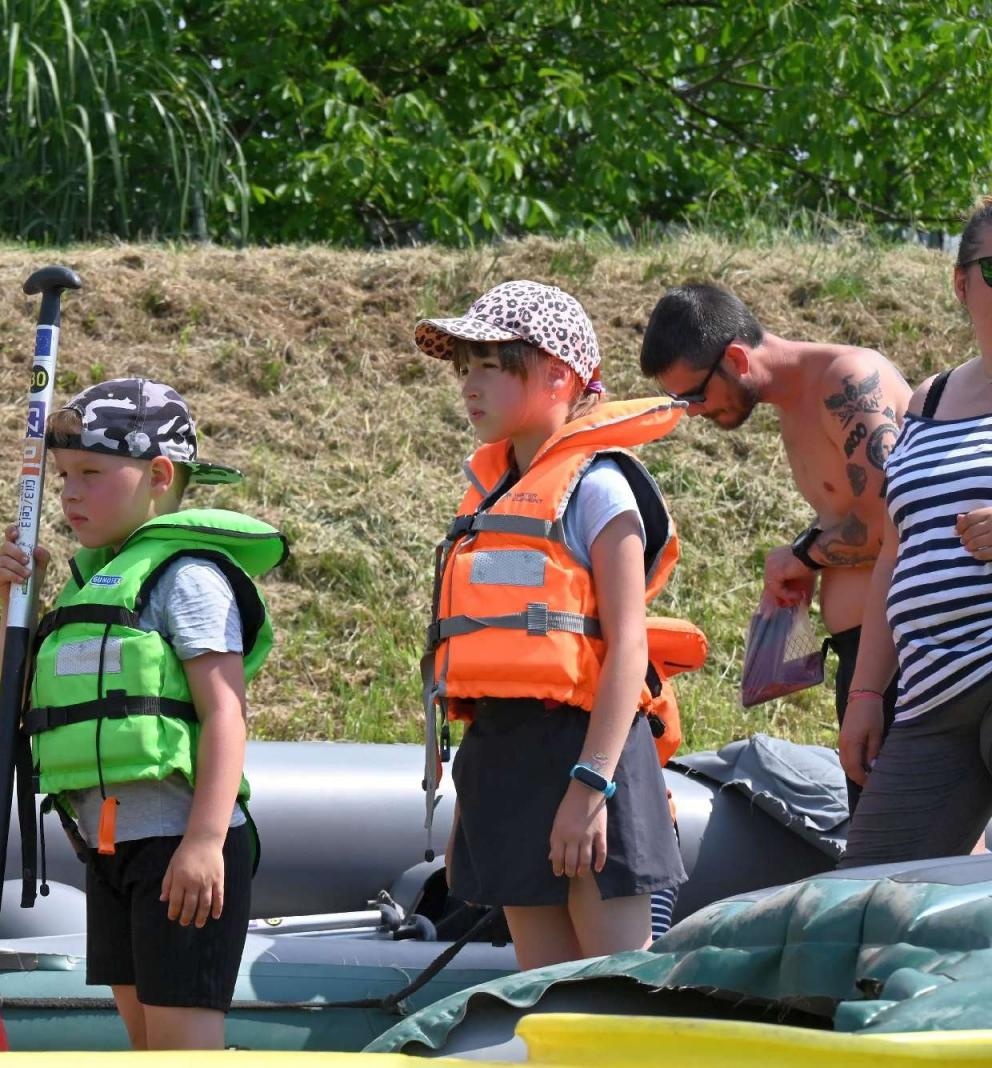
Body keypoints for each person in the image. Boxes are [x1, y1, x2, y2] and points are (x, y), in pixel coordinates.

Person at [0, 378, 285, 1050]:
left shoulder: (187, 578)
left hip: (181, 844)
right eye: (64, 475)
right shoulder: (88, 584)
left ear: (157, 475)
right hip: (110, 851)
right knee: (145, 1050)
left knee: (183, 1050)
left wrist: (205, 842)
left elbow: (225, 714)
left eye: (91, 473)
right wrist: (20, 599)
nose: (68, 492)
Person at [416, 280, 698, 970]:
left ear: (557, 375)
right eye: (464, 367)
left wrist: (591, 786)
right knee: (542, 991)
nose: (469, 385)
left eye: (488, 365)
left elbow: (628, 646)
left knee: (614, 992)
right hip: (504, 753)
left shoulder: (600, 486)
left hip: (589, 751)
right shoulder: (492, 494)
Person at [639, 283, 912, 813]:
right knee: (900, 845)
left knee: (918, 845)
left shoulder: (849, 381)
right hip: (869, 658)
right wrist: (810, 553)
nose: (691, 412)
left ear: (736, 358)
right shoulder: (795, 405)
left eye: (694, 395)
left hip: (905, 652)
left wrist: (804, 557)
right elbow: (851, 514)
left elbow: (889, 523)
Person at [838, 196, 992, 866]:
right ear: (961, 283)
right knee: (864, 904)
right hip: (932, 694)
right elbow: (894, 553)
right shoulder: (926, 401)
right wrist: (869, 693)